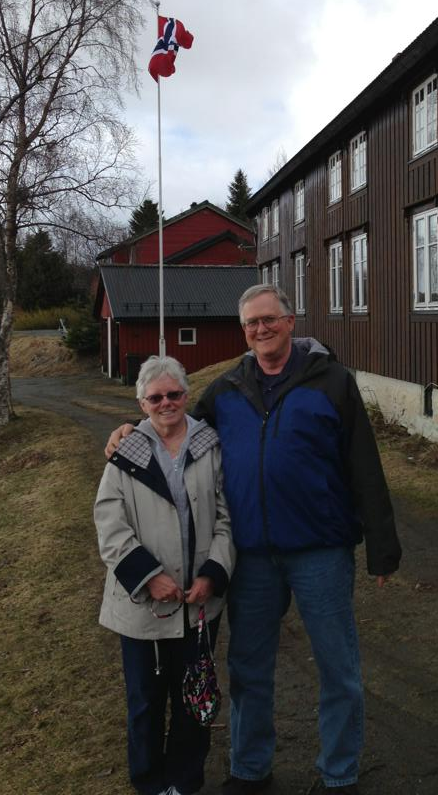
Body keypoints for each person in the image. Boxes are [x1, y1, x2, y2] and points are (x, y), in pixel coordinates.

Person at [106, 286, 402, 795]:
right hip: (254, 558)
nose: (260, 330)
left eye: (269, 320)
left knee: (338, 668)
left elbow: (364, 465)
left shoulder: (332, 382)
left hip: (321, 551)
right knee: (248, 669)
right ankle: (249, 770)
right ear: (244, 331)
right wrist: (129, 428)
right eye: (251, 324)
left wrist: (382, 545)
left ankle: (339, 774)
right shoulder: (228, 388)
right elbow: (176, 423)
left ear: (290, 321)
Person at [95, 355, 235, 795]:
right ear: (142, 404)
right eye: (155, 397)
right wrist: (149, 575)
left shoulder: (210, 446)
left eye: (174, 394)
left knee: (195, 700)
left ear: (186, 396)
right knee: (146, 703)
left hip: (197, 605)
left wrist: (213, 572)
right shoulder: (125, 453)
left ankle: (186, 782)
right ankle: (151, 784)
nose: (166, 403)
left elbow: (227, 519)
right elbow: (109, 523)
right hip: (143, 610)